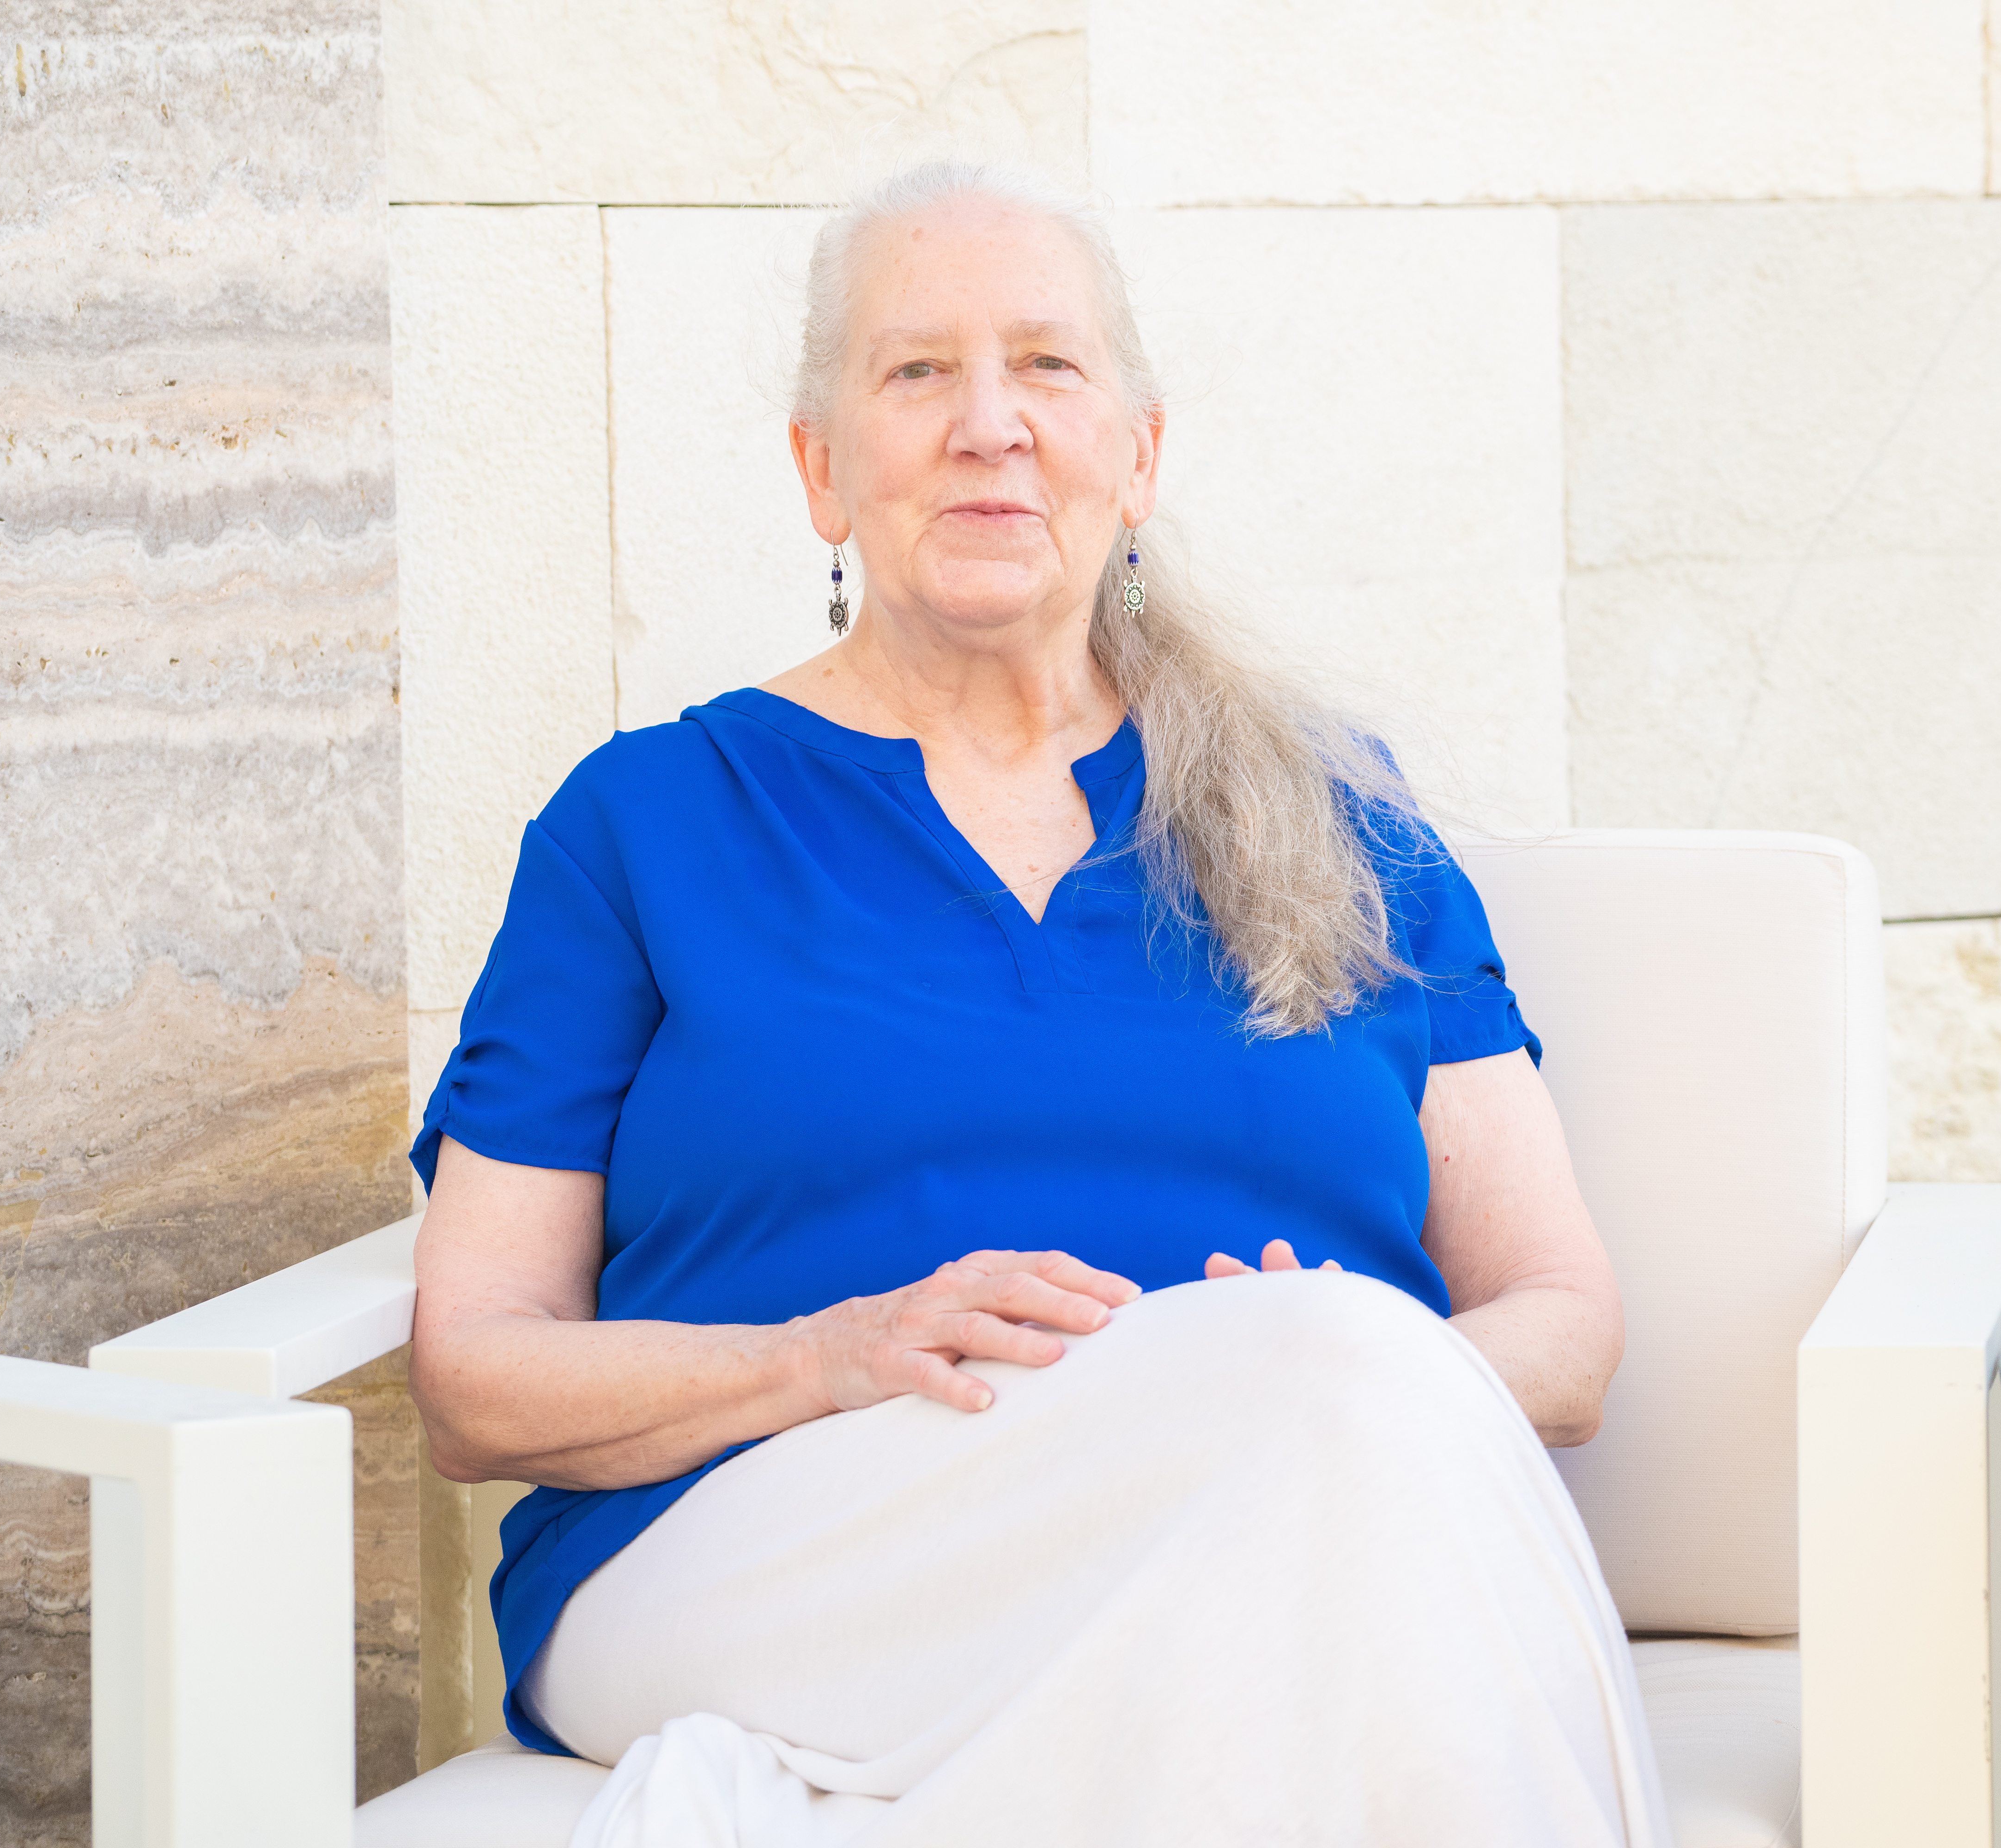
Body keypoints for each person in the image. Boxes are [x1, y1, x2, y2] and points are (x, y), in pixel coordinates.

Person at [406, 160, 1670, 1848]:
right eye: (915, 370)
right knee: (1329, 1457)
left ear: (1138, 454)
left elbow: (1564, 1326)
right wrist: (822, 1358)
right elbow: (477, 1377)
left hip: (1290, 1525)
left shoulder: (1338, 816)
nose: (988, 423)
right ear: (821, 471)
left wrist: (1306, 1392)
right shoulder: (643, 827)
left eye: (1049, 367)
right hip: (756, 1538)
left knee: (1327, 1431)